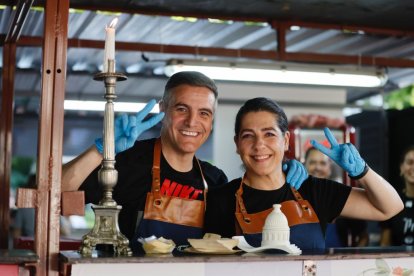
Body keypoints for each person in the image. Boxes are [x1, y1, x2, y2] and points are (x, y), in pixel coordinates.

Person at [61, 72, 307, 252]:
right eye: (181, 109)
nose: (192, 122)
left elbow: (252, 231)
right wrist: (101, 149)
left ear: (211, 122)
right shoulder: (126, 162)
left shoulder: (215, 180)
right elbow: (57, 196)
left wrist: (279, 175)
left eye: (204, 113)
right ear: (163, 109)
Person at [204, 97, 403, 252]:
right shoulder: (221, 199)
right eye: (248, 136)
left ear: (286, 140)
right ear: (237, 144)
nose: (259, 145)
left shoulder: (314, 190)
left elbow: (390, 207)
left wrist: (362, 171)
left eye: (269, 134)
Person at [304, 147, 369, 247]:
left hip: (337, 261)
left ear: (329, 168)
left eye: (323, 163)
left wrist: (354, 259)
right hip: (299, 261)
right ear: (304, 165)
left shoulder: (341, 197)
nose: (318, 167)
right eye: (312, 162)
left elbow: (363, 236)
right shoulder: (293, 195)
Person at [380, 145, 414, 246]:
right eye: (409, 162)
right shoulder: (392, 202)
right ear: (401, 168)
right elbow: (384, 244)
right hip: (398, 261)